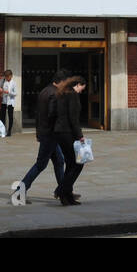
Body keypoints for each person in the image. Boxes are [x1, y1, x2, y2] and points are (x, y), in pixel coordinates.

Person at [17, 70, 67, 202]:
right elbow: (53, 116)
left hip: (46, 133)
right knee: (40, 165)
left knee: (59, 161)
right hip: (51, 135)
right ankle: (19, 191)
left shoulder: (44, 91)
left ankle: (63, 191)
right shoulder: (55, 94)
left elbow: (38, 114)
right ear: (59, 82)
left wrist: (38, 132)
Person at [52, 75, 88, 206]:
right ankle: (61, 190)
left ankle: (66, 197)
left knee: (70, 163)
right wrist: (80, 136)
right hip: (67, 132)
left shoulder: (61, 93)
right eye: (81, 89)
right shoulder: (72, 95)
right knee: (78, 163)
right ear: (78, 84)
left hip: (59, 132)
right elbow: (74, 118)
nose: (81, 92)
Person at [0, 69, 18, 137]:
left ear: (11, 76)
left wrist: (9, 92)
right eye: (6, 77)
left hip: (10, 102)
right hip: (4, 101)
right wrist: (1, 89)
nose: (7, 78)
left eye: (8, 77)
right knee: (2, 116)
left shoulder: (14, 83)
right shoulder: (3, 80)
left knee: (10, 117)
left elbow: (16, 93)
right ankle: (2, 131)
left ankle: (9, 131)